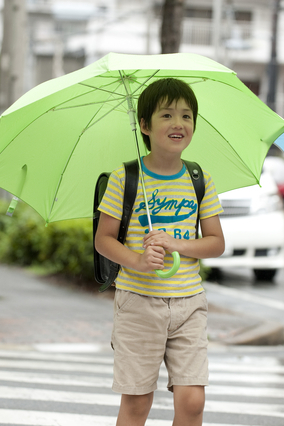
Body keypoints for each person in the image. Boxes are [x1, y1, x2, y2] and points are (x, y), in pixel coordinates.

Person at [95, 78, 225, 426]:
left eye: (186, 115)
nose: (178, 123)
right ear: (144, 125)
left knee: (193, 400)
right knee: (137, 401)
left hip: (188, 302)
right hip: (138, 301)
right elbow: (103, 239)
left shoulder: (200, 178)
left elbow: (215, 242)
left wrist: (176, 244)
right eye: (166, 115)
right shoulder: (126, 177)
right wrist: (138, 260)